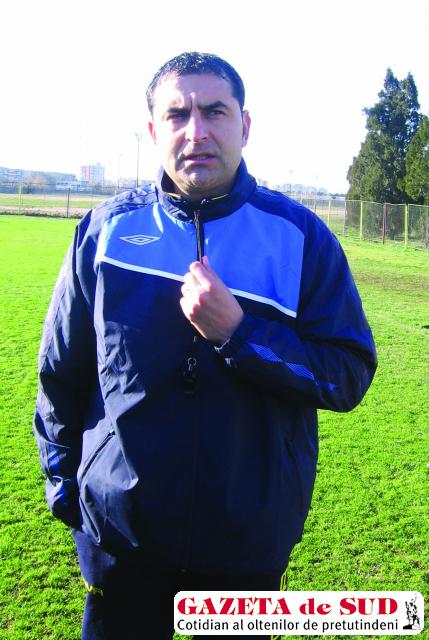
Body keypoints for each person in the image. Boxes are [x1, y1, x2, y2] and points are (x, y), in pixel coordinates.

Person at [33, 51, 377, 640]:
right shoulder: (104, 233)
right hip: (122, 541)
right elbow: (60, 376)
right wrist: (69, 493)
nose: (196, 131)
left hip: (247, 544)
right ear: (153, 131)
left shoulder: (301, 239)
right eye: (177, 114)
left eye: (215, 111)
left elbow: (346, 373)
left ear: (245, 125)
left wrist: (240, 334)